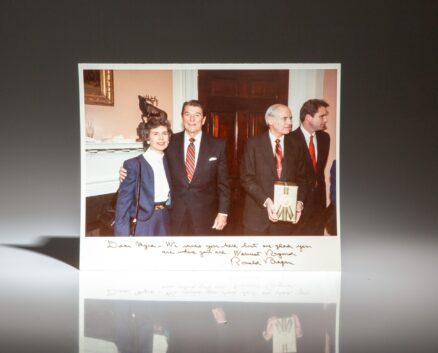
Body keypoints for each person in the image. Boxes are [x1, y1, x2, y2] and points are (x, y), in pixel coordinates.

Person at [120, 100, 230, 235]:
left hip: (205, 215)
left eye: (197, 115)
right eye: (187, 114)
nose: (192, 119)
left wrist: (223, 212)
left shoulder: (218, 145)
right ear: (182, 117)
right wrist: (129, 171)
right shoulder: (168, 142)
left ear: (204, 119)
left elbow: (224, 184)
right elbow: (152, 160)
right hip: (173, 215)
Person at [240, 104, 307, 235]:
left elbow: (303, 179)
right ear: (270, 120)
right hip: (256, 220)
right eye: (285, 118)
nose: (290, 122)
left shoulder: (297, 146)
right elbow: (246, 178)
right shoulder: (253, 144)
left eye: (291, 118)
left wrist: (299, 202)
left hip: (285, 222)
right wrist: (266, 200)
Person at [114, 115, 172, 236]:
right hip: (143, 222)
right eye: (155, 133)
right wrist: (121, 237)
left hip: (166, 218)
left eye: (164, 133)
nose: (161, 138)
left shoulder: (170, 161)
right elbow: (123, 204)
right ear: (147, 138)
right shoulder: (134, 164)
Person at [291, 99, 330, 235]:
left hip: (319, 203)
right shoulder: (289, 139)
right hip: (298, 202)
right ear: (308, 117)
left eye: (326, 116)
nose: (325, 120)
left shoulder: (325, 138)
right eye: (322, 116)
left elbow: (318, 172)